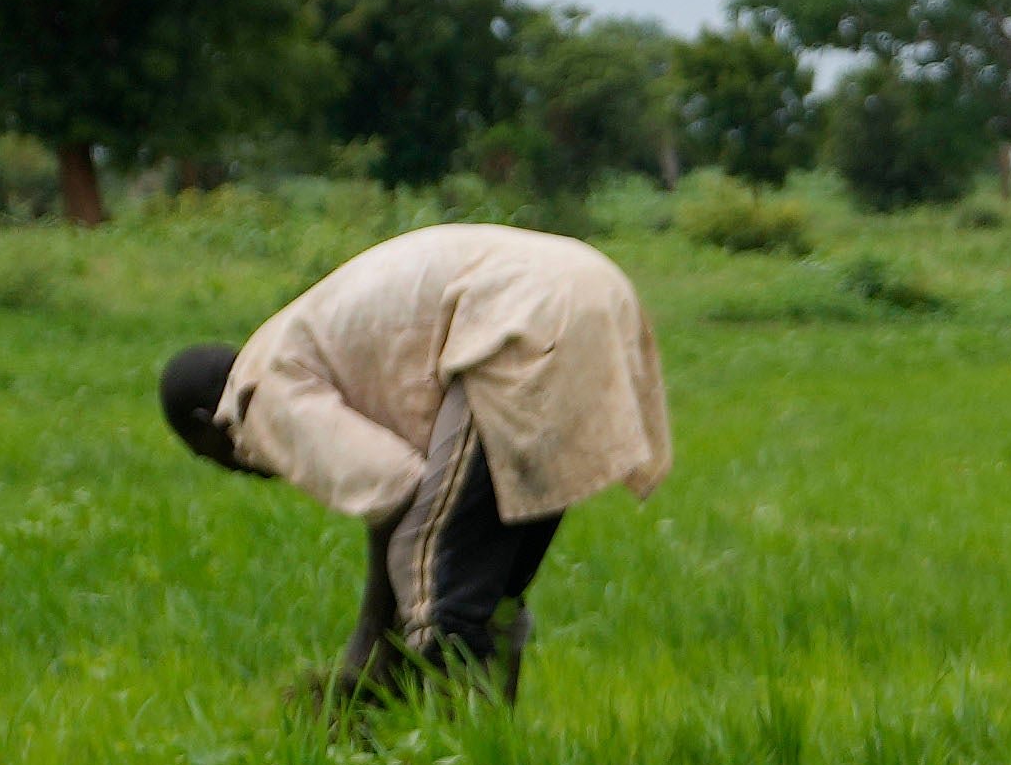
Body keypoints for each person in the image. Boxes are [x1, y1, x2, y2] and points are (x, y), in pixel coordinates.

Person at [153, 219, 671, 696]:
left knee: (439, 596)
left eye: (210, 457)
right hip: (589, 287)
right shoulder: (294, 341)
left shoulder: (255, 392)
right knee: (496, 584)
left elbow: (395, 488)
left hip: (522, 316)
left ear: (207, 423)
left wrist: (362, 658)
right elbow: (402, 490)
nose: (235, 470)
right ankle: (491, 750)